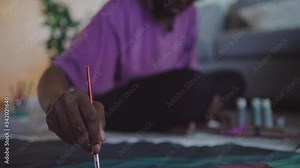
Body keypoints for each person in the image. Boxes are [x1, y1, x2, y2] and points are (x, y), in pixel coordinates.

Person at [38, 0, 245, 154]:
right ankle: (182, 116)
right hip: (123, 101)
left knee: (235, 81)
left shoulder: (189, 13)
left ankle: (181, 115)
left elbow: (191, 73)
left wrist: (208, 98)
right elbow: (55, 73)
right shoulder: (117, 10)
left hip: (175, 92)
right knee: (194, 89)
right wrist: (54, 103)